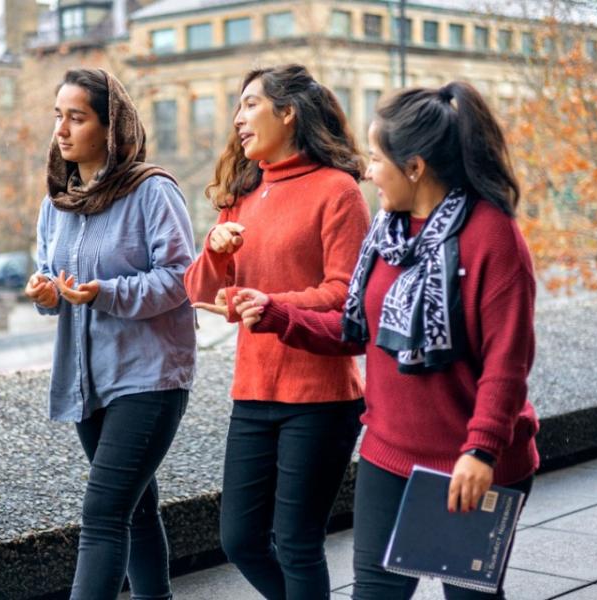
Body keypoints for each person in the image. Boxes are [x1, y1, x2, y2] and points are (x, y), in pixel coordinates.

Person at [236, 81, 540, 600]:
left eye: (377, 159)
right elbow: (356, 332)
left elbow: (506, 365)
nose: (368, 171)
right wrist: (278, 315)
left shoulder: (492, 235)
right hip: (389, 451)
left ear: (415, 167)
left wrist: (481, 450)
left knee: (467, 597)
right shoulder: (386, 232)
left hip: (469, 460)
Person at [184, 64, 370, 600]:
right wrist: (215, 252)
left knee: (296, 543)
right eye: (238, 107)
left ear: (287, 113)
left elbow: (347, 296)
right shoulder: (242, 193)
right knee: (240, 540)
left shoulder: (338, 191)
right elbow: (197, 290)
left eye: (250, 104)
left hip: (321, 396)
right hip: (253, 391)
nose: (238, 119)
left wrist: (271, 304)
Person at [24, 68, 196, 600]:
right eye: (58, 116)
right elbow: (55, 278)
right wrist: (48, 293)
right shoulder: (57, 202)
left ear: (110, 126)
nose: (61, 129)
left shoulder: (152, 191)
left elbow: (181, 279)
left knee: (102, 514)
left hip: (150, 376)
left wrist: (105, 293)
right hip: (88, 380)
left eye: (76, 118)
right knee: (135, 508)